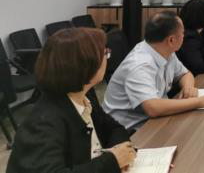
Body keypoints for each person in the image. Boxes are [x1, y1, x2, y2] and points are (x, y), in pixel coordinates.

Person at [8, 28, 136, 173]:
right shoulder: (44, 122)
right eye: (105, 53)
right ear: (86, 64)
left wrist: (120, 152)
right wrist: (112, 161)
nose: (107, 58)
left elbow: (114, 128)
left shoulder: (84, 96)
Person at [104, 12, 204, 130]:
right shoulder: (140, 65)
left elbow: (185, 74)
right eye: (182, 33)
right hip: (130, 130)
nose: (184, 36)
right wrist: (201, 101)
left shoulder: (164, 50)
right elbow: (153, 108)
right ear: (171, 40)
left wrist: (188, 88)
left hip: (155, 120)